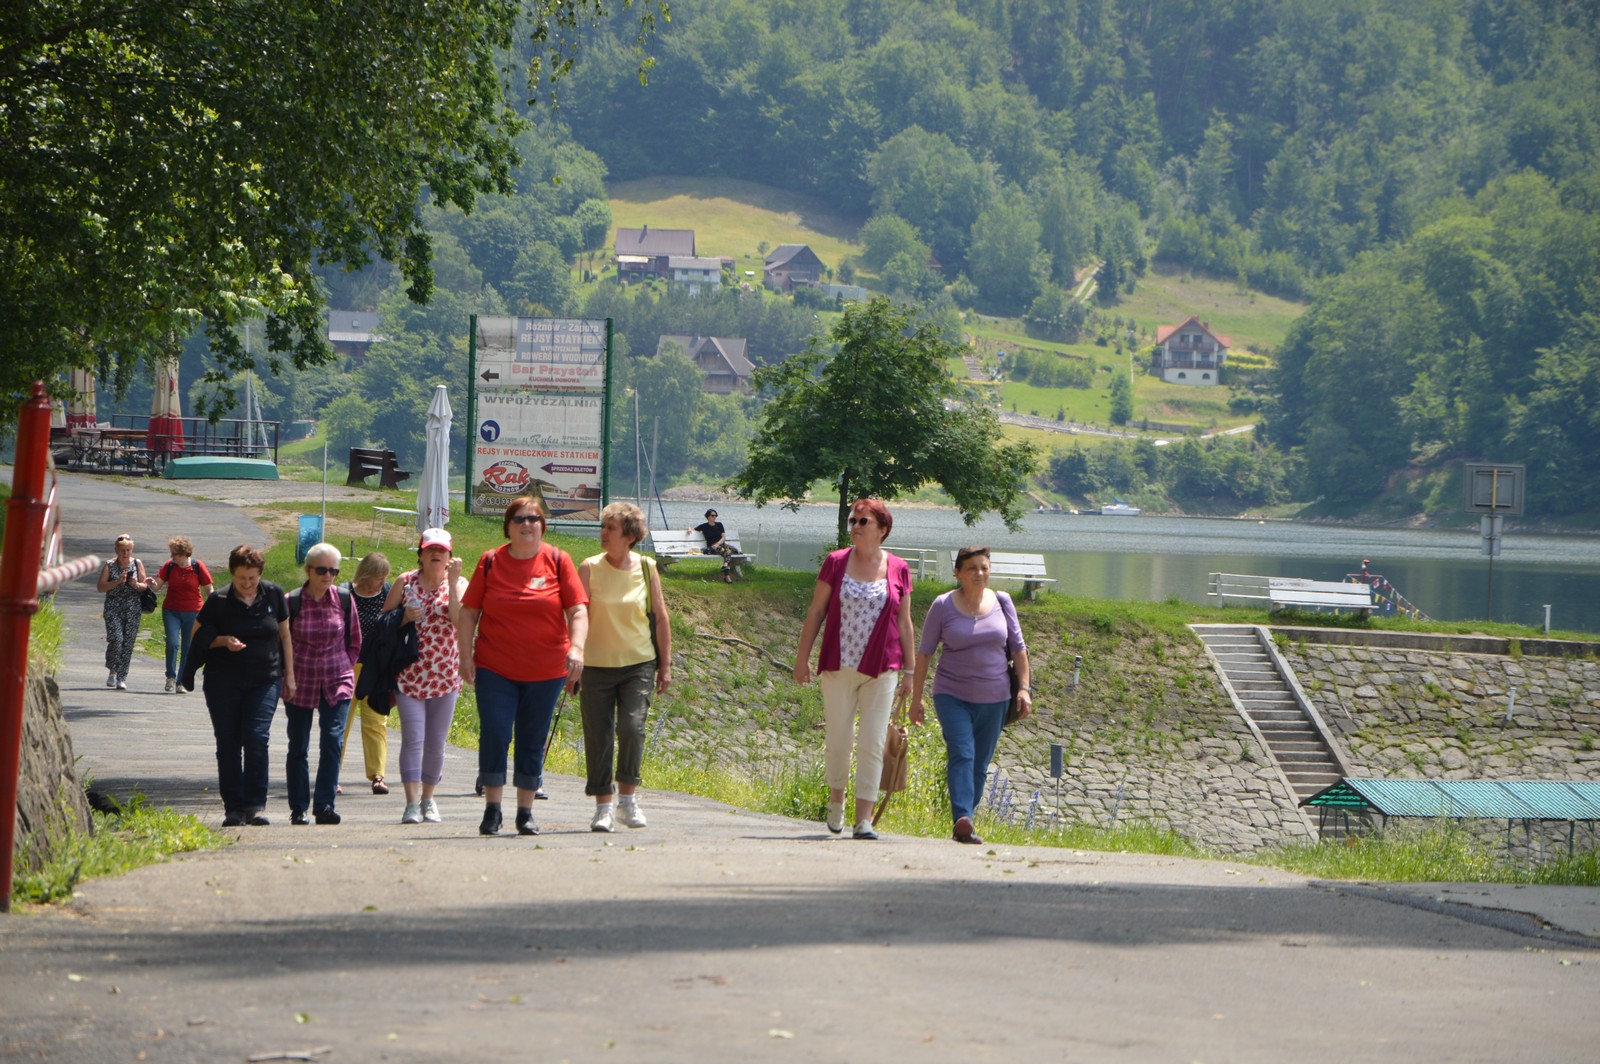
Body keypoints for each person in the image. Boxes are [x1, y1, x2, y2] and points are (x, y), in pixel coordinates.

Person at [458, 496, 587, 837]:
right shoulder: (490, 561)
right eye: (519, 519)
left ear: (543, 526)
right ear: (508, 527)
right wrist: (464, 655)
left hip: (546, 671)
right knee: (495, 733)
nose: (526, 524)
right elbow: (469, 612)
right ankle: (492, 809)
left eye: (533, 519)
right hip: (495, 668)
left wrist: (577, 648)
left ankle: (525, 812)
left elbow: (577, 610)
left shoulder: (558, 560)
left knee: (532, 737)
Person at [793, 498, 915, 840]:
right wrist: (802, 659)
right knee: (838, 740)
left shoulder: (899, 568)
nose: (856, 527)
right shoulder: (835, 562)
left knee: (873, 742)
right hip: (838, 665)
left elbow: (905, 623)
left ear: (882, 529)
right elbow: (816, 612)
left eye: (864, 521)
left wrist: (910, 672)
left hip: (882, 668)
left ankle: (864, 820)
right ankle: (836, 800)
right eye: (853, 521)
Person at [910, 546, 1033, 845]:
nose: (979, 573)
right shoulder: (943, 605)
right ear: (958, 573)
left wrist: (1024, 689)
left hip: (996, 698)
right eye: (972, 568)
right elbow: (924, 654)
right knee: (962, 753)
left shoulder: (1003, 602)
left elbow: (1018, 649)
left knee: (979, 764)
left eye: (984, 567)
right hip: (951, 695)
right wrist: (917, 699)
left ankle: (967, 820)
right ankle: (962, 817)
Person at [577, 502, 672, 833]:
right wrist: (572, 657)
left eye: (611, 528)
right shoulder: (589, 567)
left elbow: (660, 617)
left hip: (638, 664)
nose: (604, 533)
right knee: (598, 735)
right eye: (602, 527)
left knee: (632, 727)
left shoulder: (647, 567)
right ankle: (603, 807)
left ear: (630, 536)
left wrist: (665, 665)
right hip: (595, 665)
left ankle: (628, 801)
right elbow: (576, 616)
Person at [191, 545, 294, 827]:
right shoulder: (220, 600)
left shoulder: (273, 594)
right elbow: (197, 635)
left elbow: (285, 636)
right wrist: (223, 641)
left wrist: (290, 676)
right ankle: (233, 808)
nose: (247, 584)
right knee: (228, 743)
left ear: (260, 574)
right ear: (232, 574)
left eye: (252, 578)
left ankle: (255, 805)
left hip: (265, 678)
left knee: (257, 737)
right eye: (241, 578)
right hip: (223, 681)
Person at [382, 528, 467, 826]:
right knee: (413, 739)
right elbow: (383, 622)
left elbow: (459, 621)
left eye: (441, 550)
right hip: (410, 675)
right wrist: (404, 617)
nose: (436, 554)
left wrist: (453, 583)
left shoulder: (460, 584)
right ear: (420, 554)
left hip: (446, 675)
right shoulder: (405, 581)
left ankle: (428, 799)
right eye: (430, 549)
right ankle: (410, 803)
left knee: (436, 743)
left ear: (450, 556)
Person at [283, 544, 361, 825]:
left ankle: (325, 805)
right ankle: (298, 807)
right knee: (298, 745)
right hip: (299, 681)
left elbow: (355, 640)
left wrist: (344, 665)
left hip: (336, 679)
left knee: (332, 740)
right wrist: (287, 676)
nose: (328, 575)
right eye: (321, 570)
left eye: (333, 571)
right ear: (308, 570)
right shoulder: (291, 601)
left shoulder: (344, 599)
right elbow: (282, 642)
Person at [340, 553, 393, 795]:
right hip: (346, 665)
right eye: (377, 577)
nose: (381, 582)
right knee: (341, 723)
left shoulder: (387, 594)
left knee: (376, 722)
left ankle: (378, 775)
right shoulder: (345, 593)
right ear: (365, 575)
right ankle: (332, 775)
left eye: (384, 577)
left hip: (375, 668)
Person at [151, 535, 213, 694]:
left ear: (185, 554)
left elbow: (209, 588)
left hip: (193, 612)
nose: (172, 557)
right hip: (171, 611)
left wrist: (215, 605)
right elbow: (157, 586)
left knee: (187, 647)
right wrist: (151, 583)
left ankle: (181, 682)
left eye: (175, 554)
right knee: (172, 643)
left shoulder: (198, 566)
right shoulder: (169, 566)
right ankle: (170, 676)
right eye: (172, 553)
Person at [96, 533, 154, 690]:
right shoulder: (109, 565)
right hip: (113, 607)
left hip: (132, 608)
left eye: (128, 550)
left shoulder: (137, 563)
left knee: (128, 642)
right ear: (116, 550)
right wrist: (117, 582)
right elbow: (100, 587)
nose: (125, 553)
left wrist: (136, 584)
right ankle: (112, 671)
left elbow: (144, 586)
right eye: (122, 550)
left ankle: (121, 677)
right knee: (116, 639)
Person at [693, 507, 736, 581]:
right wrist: (689, 529)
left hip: (721, 545)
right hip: (712, 547)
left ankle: (725, 566)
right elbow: (694, 529)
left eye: (716, 515)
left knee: (730, 550)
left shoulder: (719, 525)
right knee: (727, 551)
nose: (715, 517)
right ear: (708, 517)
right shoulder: (704, 526)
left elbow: (723, 537)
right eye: (713, 515)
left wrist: (718, 544)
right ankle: (727, 575)